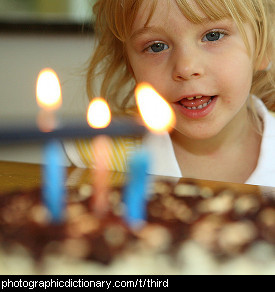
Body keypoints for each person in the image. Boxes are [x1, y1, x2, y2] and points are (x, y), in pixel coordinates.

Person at [64, 0, 275, 187]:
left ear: (262, 48)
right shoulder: (101, 155)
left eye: (213, 35)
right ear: (130, 67)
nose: (185, 67)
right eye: (156, 47)